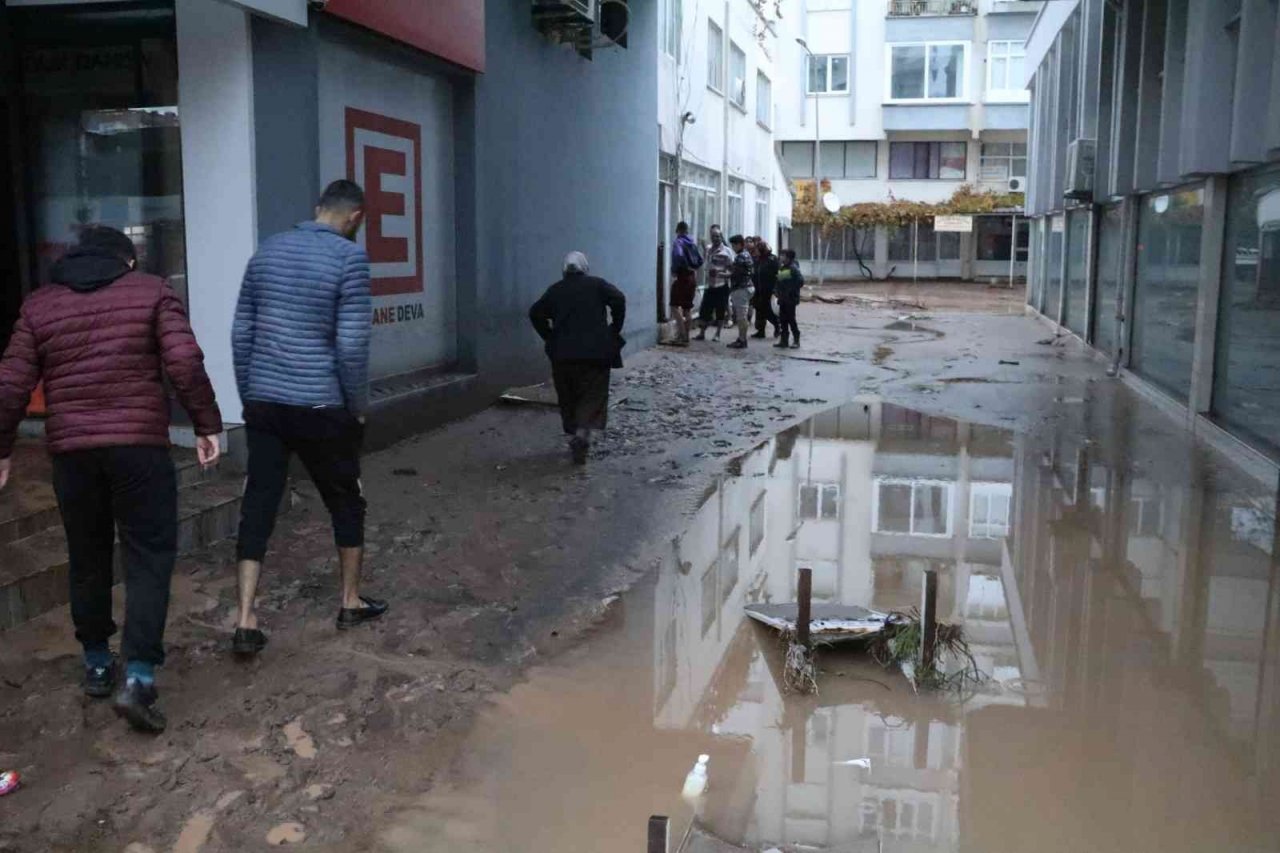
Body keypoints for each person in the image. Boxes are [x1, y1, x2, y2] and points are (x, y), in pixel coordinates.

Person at [0, 225, 223, 733]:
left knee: (88, 553)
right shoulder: (151, 291)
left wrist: (3, 446)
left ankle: (98, 661)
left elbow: (11, 380)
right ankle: (139, 675)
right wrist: (206, 423)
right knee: (147, 556)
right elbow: (184, 361)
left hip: (73, 454)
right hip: (139, 449)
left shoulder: (40, 305)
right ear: (127, 260)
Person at [230, 179, 383, 659]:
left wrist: (250, 392)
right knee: (345, 500)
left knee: (260, 500)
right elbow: (352, 345)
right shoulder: (350, 259)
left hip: (265, 403)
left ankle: (246, 618)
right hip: (320, 404)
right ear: (355, 217)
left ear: (317, 208)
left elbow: (242, 332)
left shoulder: (267, 252)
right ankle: (350, 602)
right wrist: (356, 407)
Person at [529, 252, 627, 465]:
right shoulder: (598, 285)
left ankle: (575, 433)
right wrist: (614, 327)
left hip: (563, 354)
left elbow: (535, 312)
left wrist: (549, 336)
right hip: (595, 353)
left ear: (564, 271)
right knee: (593, 394)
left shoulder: (555, 290)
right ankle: (583, 433)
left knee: (568, 396)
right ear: (585, 269)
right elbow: (619, 298)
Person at [695, 226, 732, 341]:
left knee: (720, 311)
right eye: (713, 236)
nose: (716, 238)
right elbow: (705, 260)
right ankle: (702, 333)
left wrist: (722, 274)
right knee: (705, 310)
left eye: (718, 236)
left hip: (721, 285)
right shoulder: (709, 249)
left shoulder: (727, 251)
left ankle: (717, 334)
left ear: (721, 237)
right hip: (709, 285)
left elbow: (732, 269)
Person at [669, 221, 703, 346]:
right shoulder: (692, 243)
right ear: (687, 231)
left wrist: (675, 270)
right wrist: (692, 267)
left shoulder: (679, 242)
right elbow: (700, 260)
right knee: (687, 309)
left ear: (677, 230)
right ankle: (686, 337)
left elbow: (678, 256)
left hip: (682, 277)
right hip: (692, 277)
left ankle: (681, 334)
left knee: (674, 306)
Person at [726, 235, 755, 349]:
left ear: (739, 244)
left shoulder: (740, 257)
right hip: (747, 286)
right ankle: (741, 338)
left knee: (741, 316)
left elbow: (736, 273)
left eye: (734, 245)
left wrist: (724, 273)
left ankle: (742, 339)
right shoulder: (746, 254)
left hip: (741, 288)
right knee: (742, 315)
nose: (733, 247)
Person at [775, 248, 805, 349]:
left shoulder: (793, 268)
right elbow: (779, 281)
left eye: (783, 255)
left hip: (790, 299)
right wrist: (777, 292)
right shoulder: (783, 268)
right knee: (783, 319)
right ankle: (784, 340)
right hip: (783, 298)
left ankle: (796, 340)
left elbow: (800, 281)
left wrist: (790, 291)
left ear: (788, 257)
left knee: (791, 319)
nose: (781, 257)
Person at [752, 239, 781, 339]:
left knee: (767, 310)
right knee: (759, 310)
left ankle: (777, 325)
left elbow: (778, 275)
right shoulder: (757, 260)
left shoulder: (772, 259)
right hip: (758, 289)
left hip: (768, 289)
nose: (756, 251)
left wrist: (776, 289)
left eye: (758, 249)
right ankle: (760, 331)